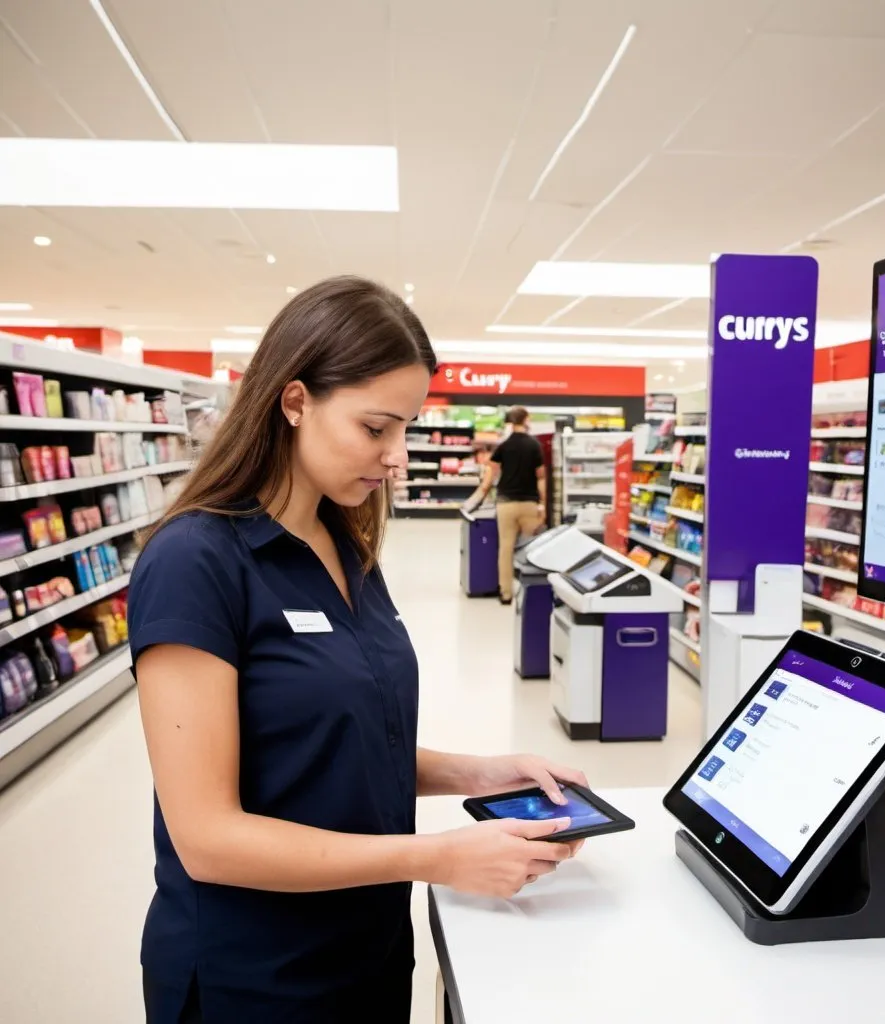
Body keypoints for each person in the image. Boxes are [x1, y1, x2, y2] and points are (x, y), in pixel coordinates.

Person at [128, 277, 587, 1024]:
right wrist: (436, 856)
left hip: (365, 950)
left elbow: (336, 748)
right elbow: (207, 838)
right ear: (295, 401)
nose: (398, 455)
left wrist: (484, 772)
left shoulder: (345, 546)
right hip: (255, 977)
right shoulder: (196, 562)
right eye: (377, 428)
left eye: (407, 427)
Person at [480, 406, 546, 604]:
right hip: (529, 504)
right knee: (532, 549)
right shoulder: (534, 445)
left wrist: (482, 494)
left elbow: (491, 473)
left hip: (506, 504)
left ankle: (506, 593)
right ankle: (529, 593)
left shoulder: (504, 445)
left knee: (506, 549)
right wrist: (543, 503)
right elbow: (541, 477)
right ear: (525, 419)